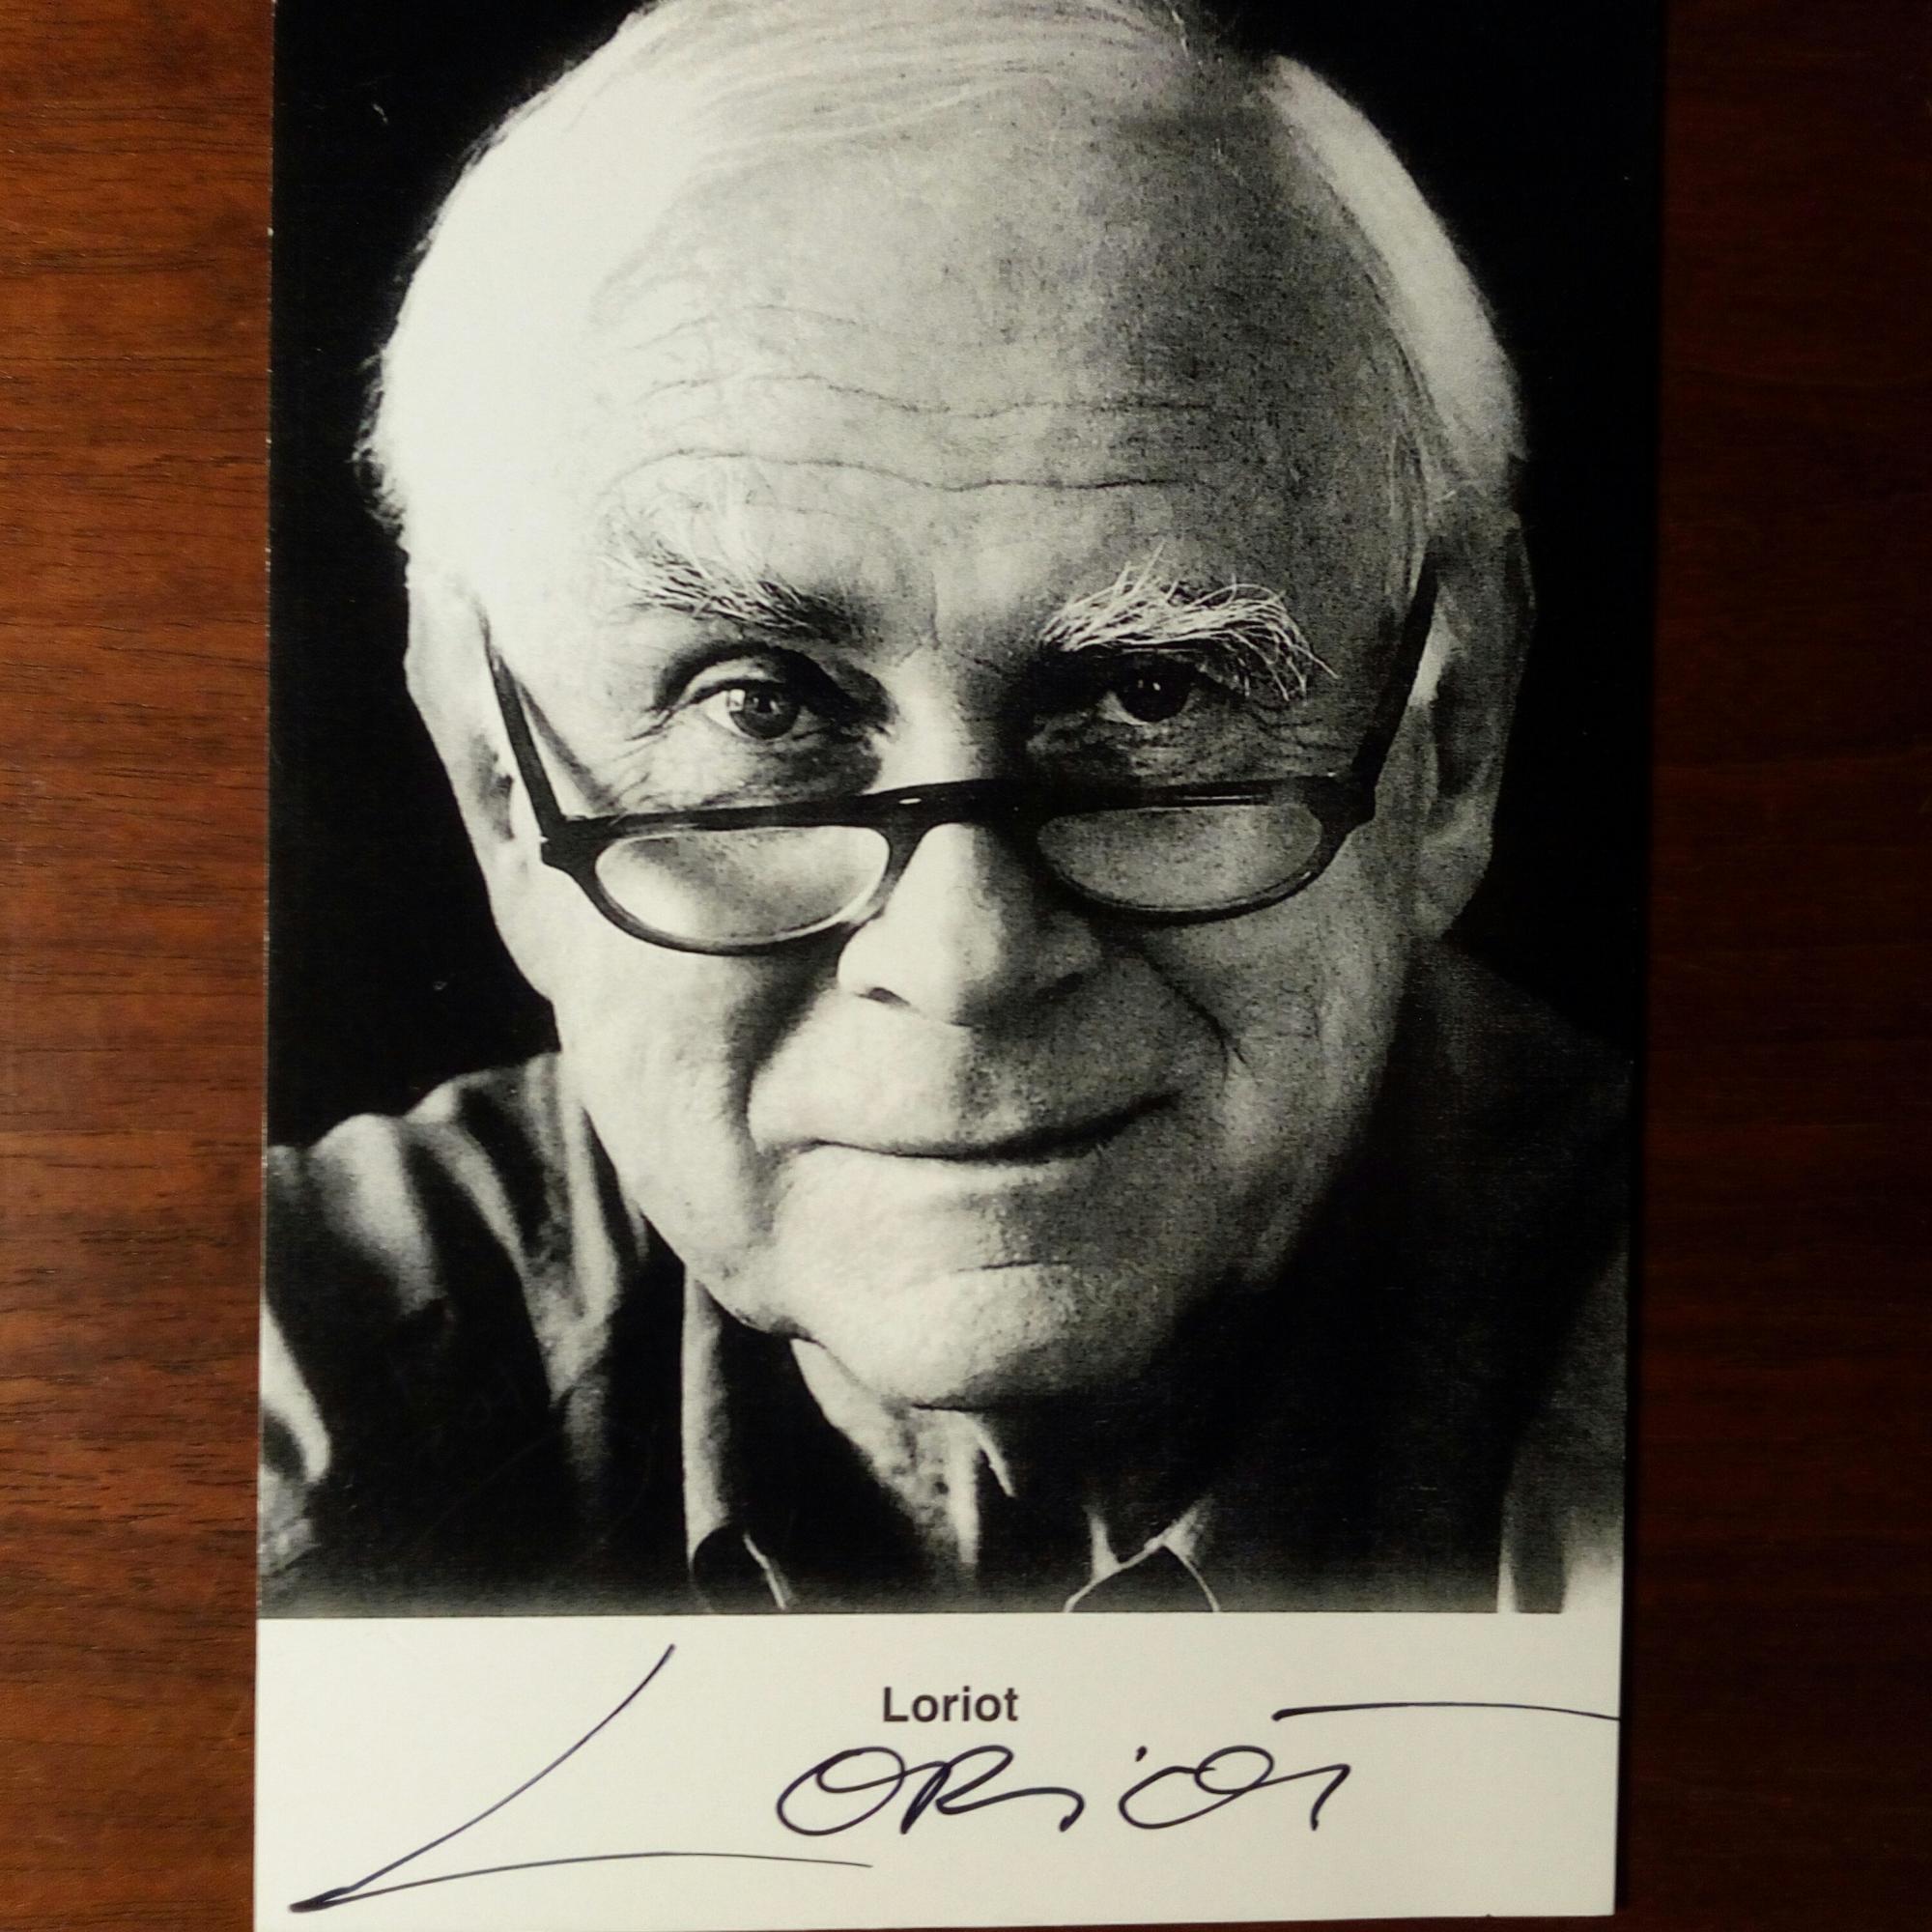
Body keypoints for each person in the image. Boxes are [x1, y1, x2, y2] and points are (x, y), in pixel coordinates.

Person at [259, 0, 1626, 1617]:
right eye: (761, 707)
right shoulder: (273, 1375)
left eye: (1153, 693)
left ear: (1452, 739)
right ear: (502, 794)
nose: (967, 959)